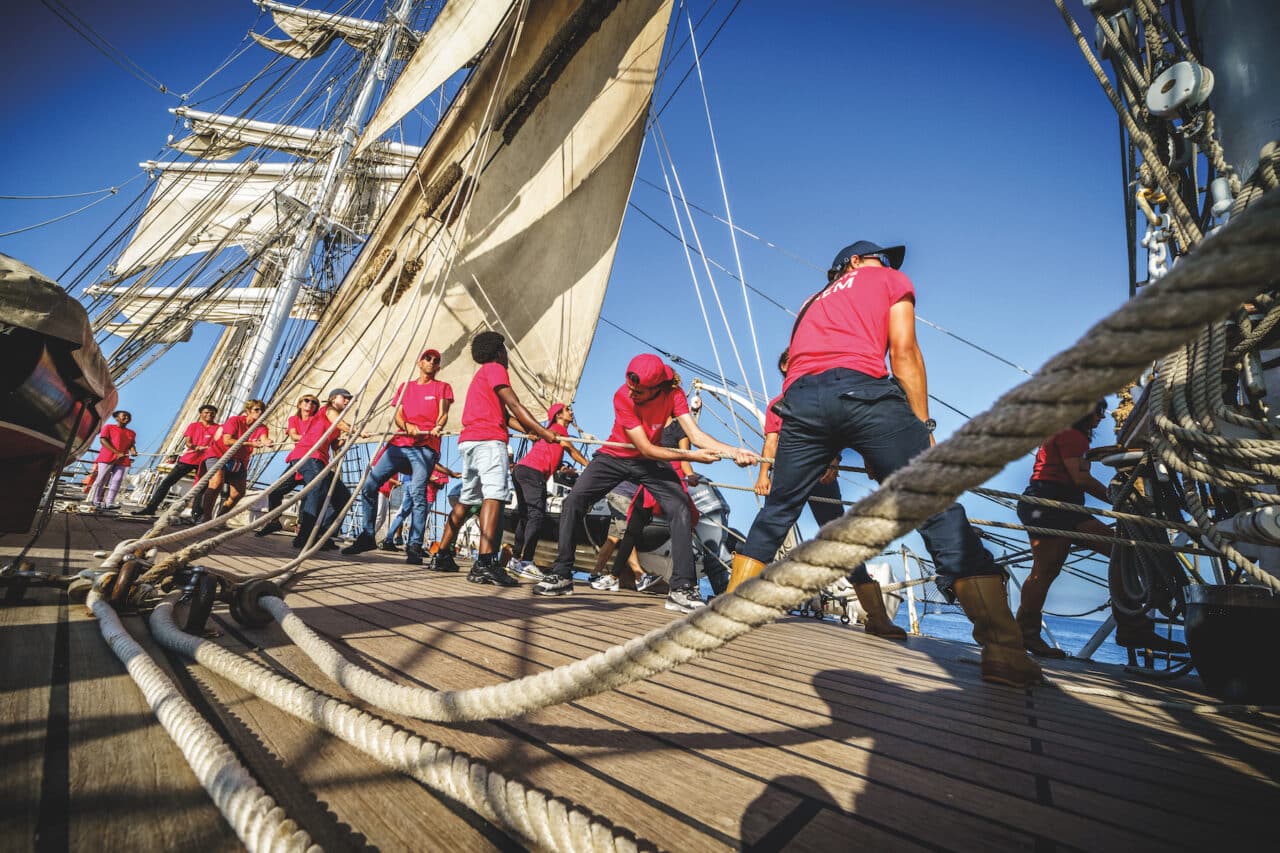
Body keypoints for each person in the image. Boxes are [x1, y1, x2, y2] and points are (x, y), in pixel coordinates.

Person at [730, 240, 1041, 687]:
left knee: (779, 509)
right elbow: (905, 352)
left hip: (799, 403)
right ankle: (1005, 652)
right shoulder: (889, 279)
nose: (888, 264)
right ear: (854, 263)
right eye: (878, 258)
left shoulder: (809, 302)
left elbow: (806, 371)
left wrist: (837, 443)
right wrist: (921, 428)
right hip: (864, 392)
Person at [534, 354, 754, 612]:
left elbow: (695, 435)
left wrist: (734, 452)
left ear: (657, 387)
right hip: (616, 456)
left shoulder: (674, 394)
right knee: (574, 501)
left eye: (639, 391)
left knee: (681, 507)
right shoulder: (622, 396)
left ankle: (682, 588)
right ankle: (561, 575)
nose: (632, 393)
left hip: (650, 462)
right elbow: (646, 448)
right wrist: (691, 456)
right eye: (630, 387)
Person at [1017, 400, 1186, 656]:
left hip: (1059, 504)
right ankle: (1026, 635)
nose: (1101, 418)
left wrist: (1106, 453)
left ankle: (1132, 627)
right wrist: (1116, 500)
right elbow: (1080, 478)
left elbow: (1074, 468)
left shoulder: (1066, 435)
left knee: (1122, 553)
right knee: (1046, 570)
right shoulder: (1073, 435)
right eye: (1098, 412)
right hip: (1052, 504)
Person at [755, 349, 904, 641]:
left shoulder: (827, 397)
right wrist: (763, 475)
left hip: (822, 478)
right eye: (790, 361)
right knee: (769, 531)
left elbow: (846, 433)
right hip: (788, 476)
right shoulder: (778, 404)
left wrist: (838, 461)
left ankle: (876, 616)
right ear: (786, 367)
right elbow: (771, 443)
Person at [430, 332, 559, 584]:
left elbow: (505, 415)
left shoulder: (481, 376)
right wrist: (545, 432)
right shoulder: (496, 369)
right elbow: (514, 404)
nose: (507, 355)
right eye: (505, 350)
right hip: (489, 443)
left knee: (467, 498)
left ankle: (442, 554)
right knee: (495, 495)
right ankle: (485, 563)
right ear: (499, 352)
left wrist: (530, 431)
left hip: (470, 441)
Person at [343, 348, 454, 563]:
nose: (431, 362)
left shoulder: (443, 388)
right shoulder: (406, 387)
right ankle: (367, 535)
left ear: (438, 366)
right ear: (419, 362)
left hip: (425, 447)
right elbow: (399, 415)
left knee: (418, 492)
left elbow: (444, 414)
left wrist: (437, 427)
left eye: (435, 360)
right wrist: (408, 426)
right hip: (399, 443)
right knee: (369, 486)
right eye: (427, 358)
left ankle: (414, 545)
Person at [509, 403, 590, 580]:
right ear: (558, 415)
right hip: (533, 472)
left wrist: (561, 468)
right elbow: (573, 451)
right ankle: (526, 562)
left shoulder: (551, 431)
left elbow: (549, 454)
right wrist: (590, 467)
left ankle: (515, 558)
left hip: (521, 470)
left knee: (525, 515)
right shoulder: (558, 429)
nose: (572, 411)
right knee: (536, 516)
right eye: (568, 410)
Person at [131, 404, 219, 517]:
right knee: (167, 482)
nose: (209, 415)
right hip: (188, 459)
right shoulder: (193, 426)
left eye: (212, 413)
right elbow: (188, 442)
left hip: (205, 461)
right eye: (206, 412)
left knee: (201, 487)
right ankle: (150, 508)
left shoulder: (218, 428)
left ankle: (196, 515)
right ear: (201, 414)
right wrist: (196, 447)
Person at [293, 388, 354, 550]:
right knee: (317, 489)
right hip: (307, 455)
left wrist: (346, 439)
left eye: (350, 399)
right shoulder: (330, 410)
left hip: (320, 460)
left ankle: (321, 535)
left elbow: (334, 446)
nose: (348, 401)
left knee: (342, 496)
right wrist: (354, 429)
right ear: (333, 399)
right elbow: (339, 423)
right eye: (345, 398)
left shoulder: (335, 418)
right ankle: (304, 536)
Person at [256, 393, 321, 536]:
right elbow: (293, 435)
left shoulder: (318, 420)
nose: (310, 403)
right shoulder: (294, 419)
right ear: (299, 404)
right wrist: (309, 438)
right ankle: (274, 521)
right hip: (297, 460)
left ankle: (302, 528)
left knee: (308, 494)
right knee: (275, 492)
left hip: (314, 460)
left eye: (314, 402)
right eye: (306, 400)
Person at [201, 400, 270, 520]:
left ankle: (219, 519)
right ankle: (206, 518)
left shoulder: (262, 427)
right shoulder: (235, 420)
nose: (260, 412)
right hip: (219, 455)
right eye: (256, 410)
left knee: (238, 494)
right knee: (216, 484)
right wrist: (249, 443)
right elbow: (227, 441)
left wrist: (267, 442)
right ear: (248, 411)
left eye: (262, 410)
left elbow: (264, 438)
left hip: (239, 461)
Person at [382, 464, 457, 550]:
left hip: (410, 484)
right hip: (422, 493)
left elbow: (441, 485)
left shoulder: (425, 463)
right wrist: (430, 479)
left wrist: (432, 480)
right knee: (418, 519)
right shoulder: (432, 465)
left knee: (403, 513)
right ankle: (412, 545)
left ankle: (390, 539)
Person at [90, 410, 137, 509]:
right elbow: (103, 440)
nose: (127, 418)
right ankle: (96, 501)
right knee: (102, 479)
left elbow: (131, 444)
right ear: (116, 418)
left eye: (129, 416)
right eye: (124, 416)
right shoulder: (108, 427)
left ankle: (109, 502)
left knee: (118, 479)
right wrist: (116, 452)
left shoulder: (132, 433)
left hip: (122, 459)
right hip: (107, 457)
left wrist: (133, 451)